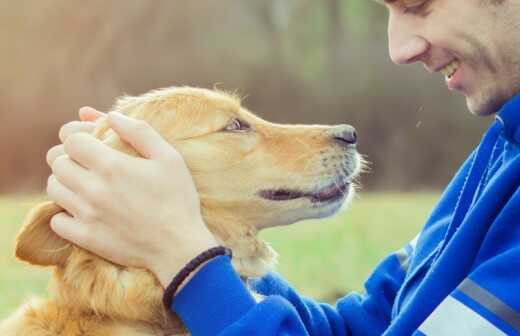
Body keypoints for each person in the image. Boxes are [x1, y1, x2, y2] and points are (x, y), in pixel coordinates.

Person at [45, 0, 520, 334]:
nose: (398, 49)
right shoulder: (500, 152)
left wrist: (187, 261)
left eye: (419, 5)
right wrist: (206, 247)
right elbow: (362, 329)